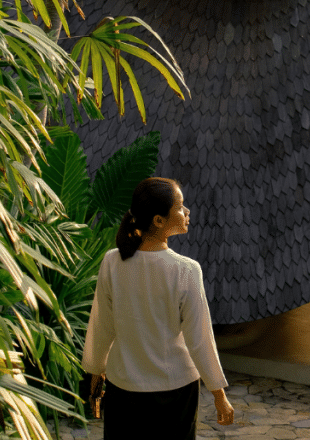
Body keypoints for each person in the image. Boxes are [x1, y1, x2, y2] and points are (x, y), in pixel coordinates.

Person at [82, 177, 234, 438]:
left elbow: (101, 326)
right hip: (175, 392)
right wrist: (219, 394)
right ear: (158, 220)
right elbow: (199, 340)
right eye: (179, 206)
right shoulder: (185, 271)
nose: (186, 212)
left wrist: (95, 371)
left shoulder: (112, 262)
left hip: (123, 390)